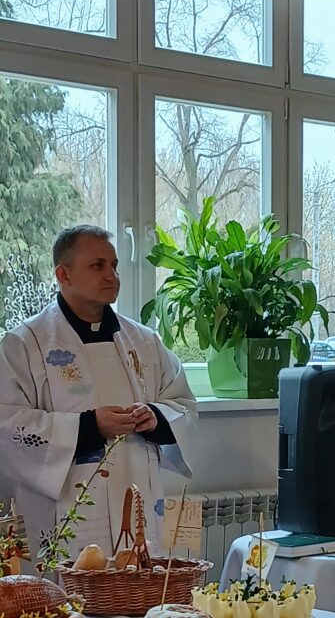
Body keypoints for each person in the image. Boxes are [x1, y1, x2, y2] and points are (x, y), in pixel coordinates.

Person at [0, 225, 196, 566]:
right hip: (67, 504)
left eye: (114, 266)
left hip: (138, 496)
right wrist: (89, 426)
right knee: (73, 591)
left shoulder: (144, 341)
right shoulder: (24, 345)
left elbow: (184, 404)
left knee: (138, 586)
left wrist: (156, 416)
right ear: (63, 274)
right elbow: (9, 426)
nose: (111, 276)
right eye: (97, 265)